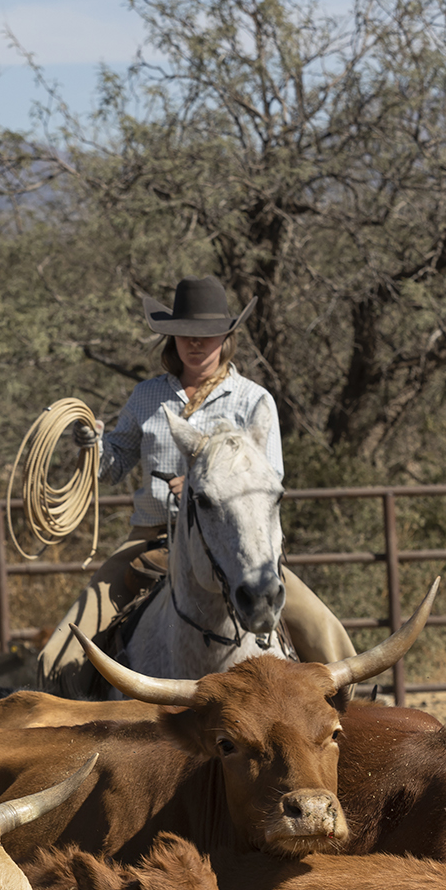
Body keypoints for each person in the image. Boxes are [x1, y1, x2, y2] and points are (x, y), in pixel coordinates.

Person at [39, 275, 355, 684]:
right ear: (171, 339)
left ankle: (351, 710)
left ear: (226, 337)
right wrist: (92, 445)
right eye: (184, 334)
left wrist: (204, 486)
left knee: (327, 636)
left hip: (236, 540)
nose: (195, 343)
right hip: (151, 538)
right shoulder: (147, 396)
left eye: (207, 335)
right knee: (57, 657)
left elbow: (269, 479)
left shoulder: (254, 400)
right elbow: (113, 465)